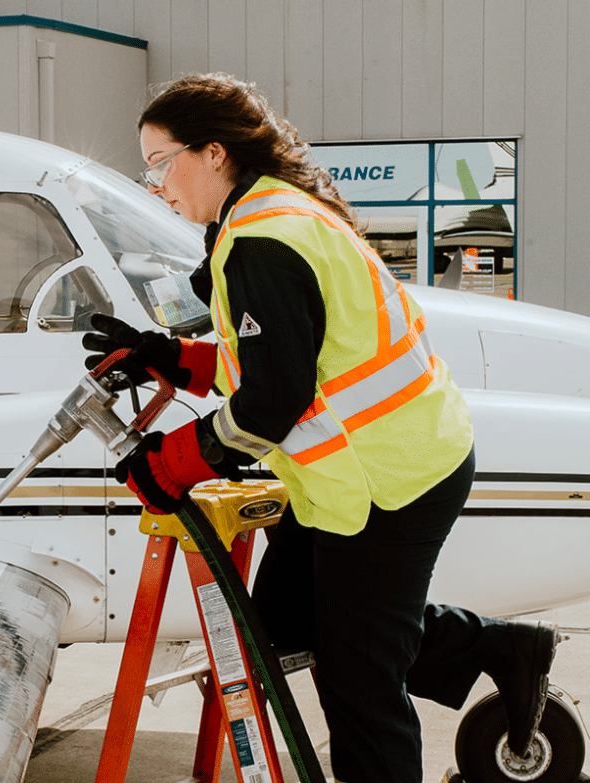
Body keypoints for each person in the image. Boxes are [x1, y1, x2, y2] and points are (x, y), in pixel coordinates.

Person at [83, 73, 559, 783]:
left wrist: (173, 462)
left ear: (214, 153)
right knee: (290, 619)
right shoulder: (266, 213)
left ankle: (478, 664)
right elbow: (274, 358)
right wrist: (169, 357)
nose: (158, 184)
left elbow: (273, 398)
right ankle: (499, 648)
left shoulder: (263, 240)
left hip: (390, 479)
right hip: (364, 467)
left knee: (358, 678)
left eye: (161, 163)